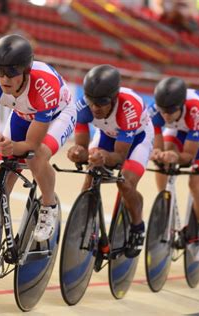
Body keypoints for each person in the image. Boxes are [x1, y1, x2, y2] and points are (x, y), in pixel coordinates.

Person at [0, 34, 76, 242]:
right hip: (24, 114)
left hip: (57, 115)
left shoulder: (45, 87)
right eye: (0, 71)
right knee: (2, 167)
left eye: (12, 72)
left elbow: (31, 145)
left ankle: (48, 206)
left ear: (26, 71)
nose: (5, 79)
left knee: (36, 156)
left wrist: (12, 148)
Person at [67, 64, 154, 258]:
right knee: (91, 171)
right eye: (92, 102)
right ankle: (83, 224)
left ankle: (138, 227)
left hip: (138, 139)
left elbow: (119, 158)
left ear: (114, 98)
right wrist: (76, 152)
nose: (95, 108)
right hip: (107, 134)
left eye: (102, 103)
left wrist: (104, 157)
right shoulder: (83, 107)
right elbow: (81, 148)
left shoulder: (128, 108)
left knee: (126, 182)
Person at [149, 77, 199, 262]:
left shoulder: (195, 110)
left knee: (196, 185)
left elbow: (188, 155)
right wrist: (159, 153)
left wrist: (176, 157)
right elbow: (157, 139)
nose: (165, 115)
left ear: (181, 105)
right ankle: (165, 205)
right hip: (177, 130)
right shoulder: (156, 108)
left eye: (171, 111)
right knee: (163, 162)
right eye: (162, 111)